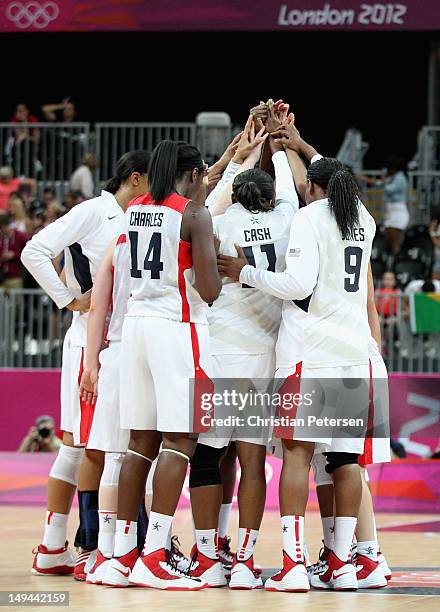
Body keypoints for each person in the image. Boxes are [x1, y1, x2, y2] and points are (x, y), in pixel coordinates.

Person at [219, 125, 376, 592]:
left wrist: (245, 270)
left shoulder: (310, 218)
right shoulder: (362, 218)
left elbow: (297, 285)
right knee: (345, 459)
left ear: (313, 186)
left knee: (297, 456)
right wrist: (299, 144)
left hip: (309, 351)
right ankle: (343, 563)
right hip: (351, 353)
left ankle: (293, 563)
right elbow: (331, 174)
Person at [21, 150, 150, 580]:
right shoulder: (94, 211)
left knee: (81, 446)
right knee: (89, 446)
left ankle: (54, 545)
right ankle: (86, 546)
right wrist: (68, 299)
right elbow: (34, 251)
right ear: (135, 179)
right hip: (88, 342)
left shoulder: (134, 215)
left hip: (110, 340)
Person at [189, 111, 301, 590]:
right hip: (264, 355)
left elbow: (205, 203)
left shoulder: (222, 220)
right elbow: (292, 189)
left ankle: (210, 556)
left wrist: (242, 151)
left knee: (209, 458)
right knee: (254, 462)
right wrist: (279, 143)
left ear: (236, 193)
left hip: (220, 352)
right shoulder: (285, 219)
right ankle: (247, 562)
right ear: (271, 196)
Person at [103, 140, 221, 590]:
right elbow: (209, 290)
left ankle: (122, 554)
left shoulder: (135, 207)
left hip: (137, 325)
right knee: (181, 438)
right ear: (192, 175)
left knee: (139, 442)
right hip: (179, 326)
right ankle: (155, 553)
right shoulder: (195, 214)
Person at [0, 211, 28, 290]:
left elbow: (27, 254)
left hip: (16, 277)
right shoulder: (1, 237)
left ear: (6, 226)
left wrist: (14, 255)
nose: (1, 231)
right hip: (2, 277)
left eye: (1, 228)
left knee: (16, 302)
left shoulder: (20, 236)